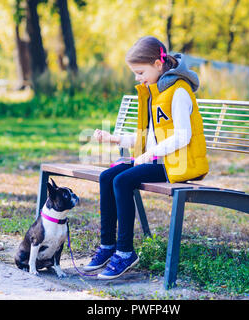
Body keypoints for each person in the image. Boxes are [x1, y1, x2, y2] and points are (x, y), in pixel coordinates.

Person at [85, 36, 209, 280]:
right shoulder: (156, 91)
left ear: (158, 64)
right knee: (108, 176)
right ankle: (108, 246)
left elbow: (183, 136)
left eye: (140, 71)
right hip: (160, 160)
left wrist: (149, 155)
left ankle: (125, 252)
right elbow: (151, 138)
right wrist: (115, 139)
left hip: (179, 165)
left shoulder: (179, 91)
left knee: (122, 181)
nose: (137, 78)